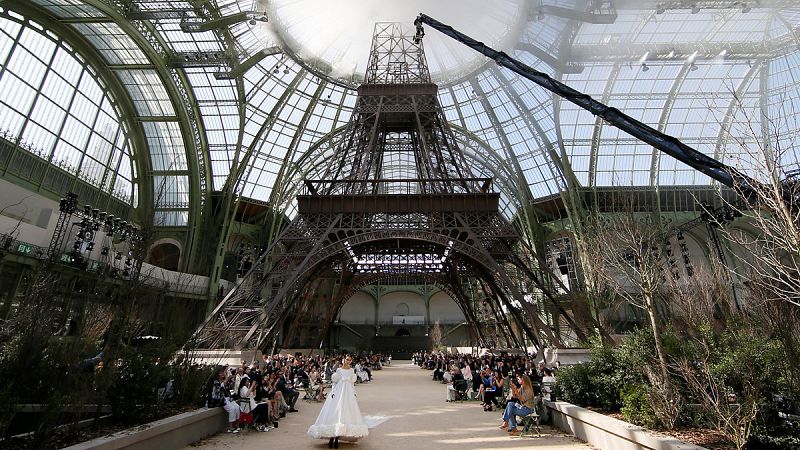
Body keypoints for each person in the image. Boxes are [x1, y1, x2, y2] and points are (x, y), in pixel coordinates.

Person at [308, 355, 368, 449]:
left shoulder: (352, 371)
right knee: (335, 412)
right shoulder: (339, 370)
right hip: (339, 392)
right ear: (344, 360)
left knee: (345, 413)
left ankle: (337, 437)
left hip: (348, 392)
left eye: (349, 360)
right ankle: (332, 436)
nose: (348, 361)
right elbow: (334, 383)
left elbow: (352, 383)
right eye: (346, 359)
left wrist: (353, 393)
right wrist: (333, 392)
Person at [209, 366, 241, 433]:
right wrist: (225, 381)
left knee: (237, 407)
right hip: (219, 399)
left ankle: (237, 425)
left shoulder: (224, 381)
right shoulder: (216, 382)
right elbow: (218, 391)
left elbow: (228, 390)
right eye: (221, 373)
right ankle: (230, 427)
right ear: (217, 374)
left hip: (227, 398)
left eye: (223, 373)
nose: (223, 374)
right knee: (232, 409)